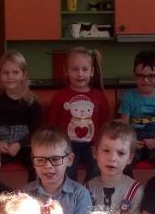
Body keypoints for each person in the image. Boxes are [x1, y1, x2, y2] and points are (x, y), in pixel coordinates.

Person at [21, 128, 92, 214]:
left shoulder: (80, 194)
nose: (48, 166)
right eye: (40, 160)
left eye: (55, 159)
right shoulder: (26, 194)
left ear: (69, 160)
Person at [46, 46, 112, 180]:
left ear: (92, 71)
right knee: (67, 172)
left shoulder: (99, 96)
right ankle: (72, 192)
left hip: (93, 145)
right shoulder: (59, 96)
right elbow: (52, 125)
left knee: (97, 169)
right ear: (67, 71)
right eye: (75, 69)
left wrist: (103, 146)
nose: (80, 74)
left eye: (85, 69)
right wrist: (55, 146)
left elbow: (106, 125)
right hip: (67, 145)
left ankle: (87, 192)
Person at [85, 121, 144, 214]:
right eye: (106, 151)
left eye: (121, 153)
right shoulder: (87, 189)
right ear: (95, 153)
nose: (112, 158)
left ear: (130, 158)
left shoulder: (136, 191)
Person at [0, 50, 43, 173]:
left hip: (24, 146)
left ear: (23, 75)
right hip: (0, 146)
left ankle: (33, 186)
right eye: (6, 72)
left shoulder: (31, 101)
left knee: (37, 162)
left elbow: (36, 131)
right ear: (0, 74)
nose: (10, 76)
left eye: (15, 72)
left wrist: (20, 144)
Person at [118, 49, 155, 160]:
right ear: (134, 74)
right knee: (125, 158)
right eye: (140, 76)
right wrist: (132, 141)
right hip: (134, 140)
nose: (146, 80)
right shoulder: (128, 98)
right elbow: (125, 126)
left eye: (151, 76)